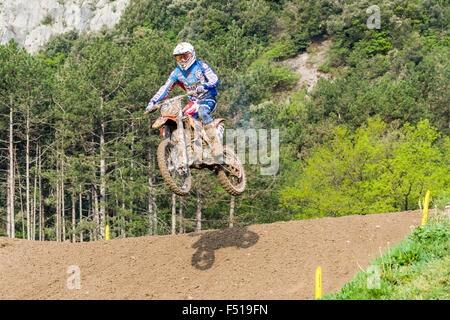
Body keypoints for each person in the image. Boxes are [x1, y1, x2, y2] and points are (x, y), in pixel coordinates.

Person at [146, 42, 221, 163]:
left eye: (185, 56)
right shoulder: (177, 73)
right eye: (178, 57)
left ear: (192, 55)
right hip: (194, 102)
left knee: (202, 112)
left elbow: (214, 79)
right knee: (181, 119)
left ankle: (215, 144)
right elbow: (165, 88)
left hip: (207, 98)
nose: (182, 60)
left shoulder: (201, 66)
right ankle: (189, 148)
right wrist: (153, 102)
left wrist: (205, 85)